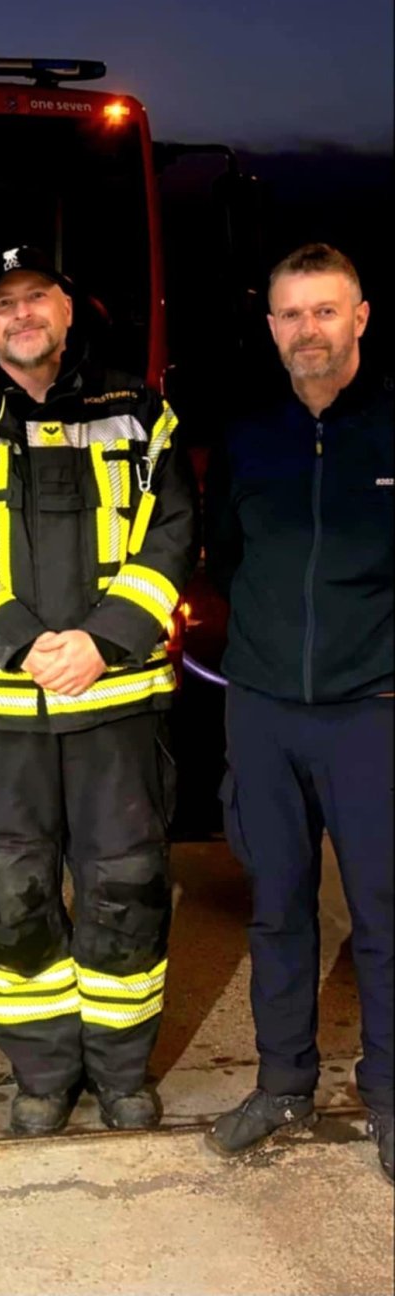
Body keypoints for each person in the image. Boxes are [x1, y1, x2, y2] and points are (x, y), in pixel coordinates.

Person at [0, 245, 197, 1136]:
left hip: (115, 708)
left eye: (38, 298)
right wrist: (23, 646)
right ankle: (42, 1075)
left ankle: (121, 1075)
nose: (22, 315)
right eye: (3, 304)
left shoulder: (142, 415)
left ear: (67, 312)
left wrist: (103, 644)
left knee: (127, 887)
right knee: (9, 895)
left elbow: (173, 535)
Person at [204, 244, 393, 1181]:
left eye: (326, 311)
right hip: (266, 710)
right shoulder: (248, 434)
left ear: (360, 317)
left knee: (385, 914)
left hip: (374, 711)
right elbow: (224, 551)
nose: (308, 329)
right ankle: (283, 1083)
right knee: (276, 910)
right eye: (291, 314)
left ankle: (390, 1096)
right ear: (271, 327)